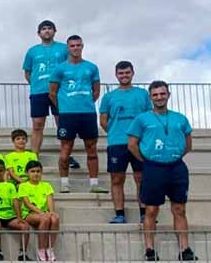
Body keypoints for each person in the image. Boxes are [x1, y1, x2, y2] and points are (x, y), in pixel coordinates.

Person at [127, 81, 197, 262]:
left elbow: (188, 144)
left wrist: (173, 156)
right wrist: (148, 161)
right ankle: (150, 249)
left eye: (162, 94)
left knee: (179, 209)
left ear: (168, 95)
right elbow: (132, 145)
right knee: (151, 209)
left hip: (176, 168)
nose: (159, 97)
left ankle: (185, 249)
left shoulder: (180, 118)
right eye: (155, 94)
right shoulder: (141, 119)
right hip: (153, 168)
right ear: (150, 97)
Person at [48, 35, 104, 193]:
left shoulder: (92, 67)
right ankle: (64, 182)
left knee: (91, 148)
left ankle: (94, 184)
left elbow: (96, 91)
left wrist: (85, 103)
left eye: (78, 45)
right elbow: (52, 93)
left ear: (82, 46)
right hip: (67, 115)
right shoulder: (59, 69)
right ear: (68, 48)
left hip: (87, 114)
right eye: (72, 46)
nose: (75, 48)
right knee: (66, 149)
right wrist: (64, 107)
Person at [99, 61, 151, 223]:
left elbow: (149, 118)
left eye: (127, 72)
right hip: (116, 143)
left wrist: (136, 135)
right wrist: (117, 133)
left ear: (133, 73)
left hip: (139, 143)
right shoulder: (108, 97)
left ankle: (144, 213)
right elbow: (103, 121)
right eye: (121, 73)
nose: (124, 76)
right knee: (116, 179)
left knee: (141, 178)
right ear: (116, 75)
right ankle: (120, 214)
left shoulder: (143, 94)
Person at [23, 19, 68, 156]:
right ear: (39, 33)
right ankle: (33, 156)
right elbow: (27, 72)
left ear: (54, 31)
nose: (47, 31)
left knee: (62, 123)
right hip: (38, 92)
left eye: (49, 28)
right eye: (44, 29)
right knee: (37, 124)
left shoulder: (63, 48)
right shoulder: (32, 51)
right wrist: (37, 84)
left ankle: (66, 154)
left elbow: (69, 67)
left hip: (59, 91)